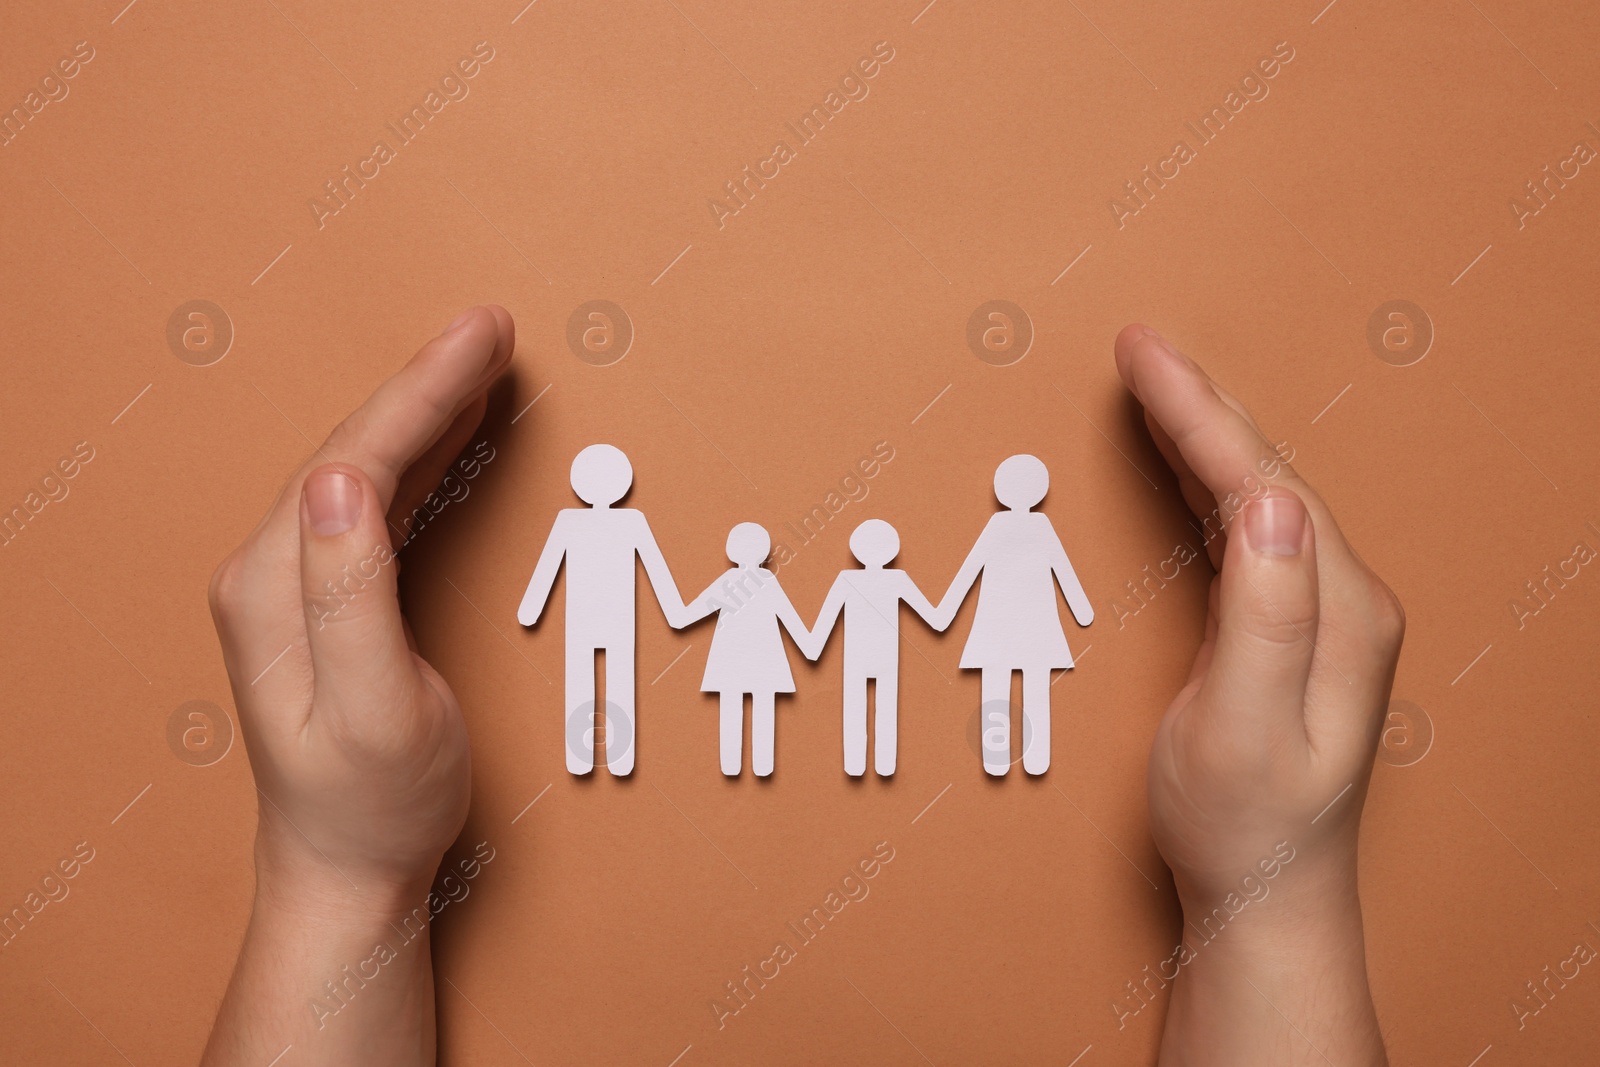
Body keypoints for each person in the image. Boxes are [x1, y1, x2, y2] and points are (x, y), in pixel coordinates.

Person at [200, 309, 1400, 1067]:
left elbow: (882, 592)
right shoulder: (622, 543)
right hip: (754, 654)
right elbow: (677, 587)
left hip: (914, 647)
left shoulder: (993, 547)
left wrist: (340, 874)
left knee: (983, 703)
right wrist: (1270, 896)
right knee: (635, 695)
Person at [517, 443, 691, 776]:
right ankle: (615, 760)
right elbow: (551, 564)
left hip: (592, 622)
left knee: (585, 683)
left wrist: (531, 609)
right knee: (617, 683)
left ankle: (585, 759)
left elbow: (548, 567)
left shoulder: (575, 521)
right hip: (615, 622)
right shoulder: (625, 521)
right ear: (623, 483)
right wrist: (674, 610)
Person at [935, 453, 1094, 776]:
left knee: (997, 683)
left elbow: (971, 569)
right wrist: (1080, 609)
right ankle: (1032, 760)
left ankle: (1000, 758)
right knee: (1034, 687)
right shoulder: (1036, 525)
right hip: (1034, 627)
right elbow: (1061, 568)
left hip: (999, 625)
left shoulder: (1004, 525)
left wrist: (946, 609)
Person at [806, 519, 942, 777]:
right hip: (884, 657)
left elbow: (823, 625)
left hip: (859, 658)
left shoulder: (848, 579)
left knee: (856, 708)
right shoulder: (895, 579)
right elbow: (934, 617)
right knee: (885, 709)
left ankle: (857, 765)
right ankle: (883, 765)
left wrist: (809, 645)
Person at [680, 522, 813, 777]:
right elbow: (790, 619)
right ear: (763, 552)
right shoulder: (766, 580)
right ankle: (762, 766)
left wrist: (672, 607)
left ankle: (732, 765)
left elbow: (691, 614)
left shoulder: (731, 580)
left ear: (732, 550)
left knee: (732, 705)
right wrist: (810, 644)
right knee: (762, 706)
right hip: (765, 660)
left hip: (731, 659)